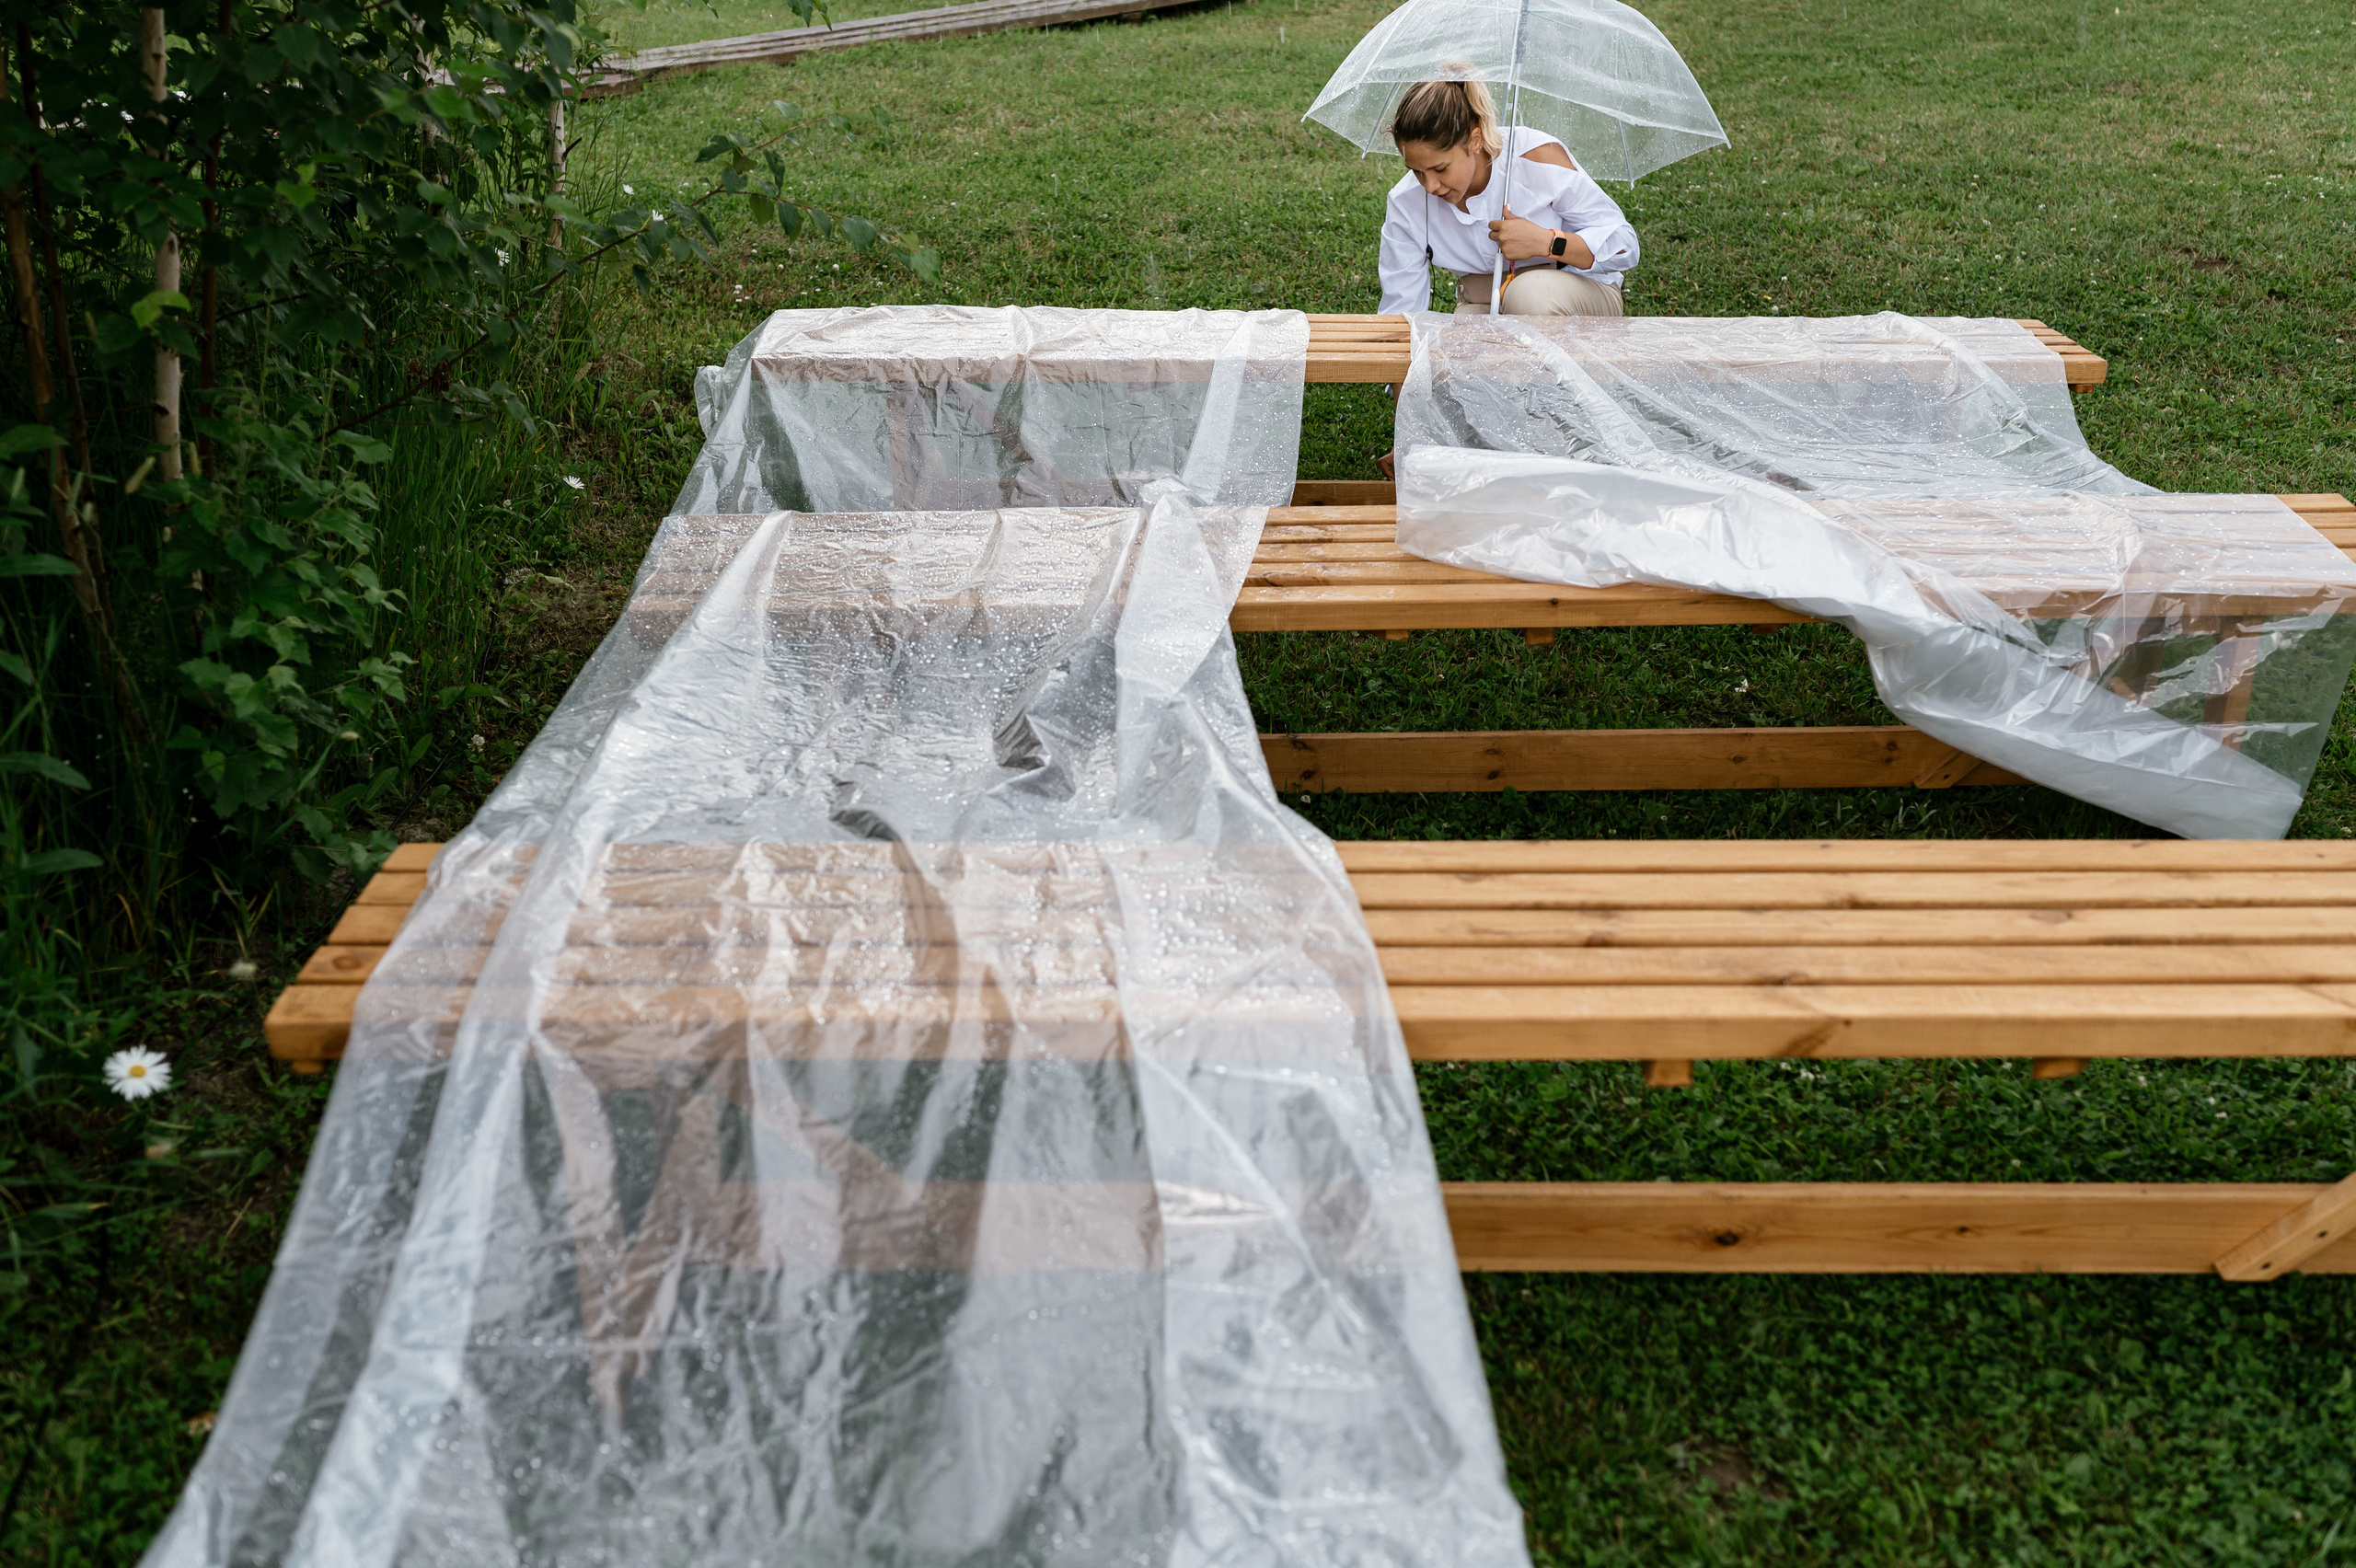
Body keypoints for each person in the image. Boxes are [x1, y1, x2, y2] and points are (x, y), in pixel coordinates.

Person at [1376, 77, 1639, 319]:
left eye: (1441, 168)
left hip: (1576, 296)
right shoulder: (1405, 203)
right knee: (1463, 345)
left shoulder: (1536, 160)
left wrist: (1547, 242)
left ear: (1475, 140)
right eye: (1417, 172)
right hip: (1483, 303)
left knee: (1529, 297)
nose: (1429, 186)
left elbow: (1624, 246)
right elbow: (1401, 312)